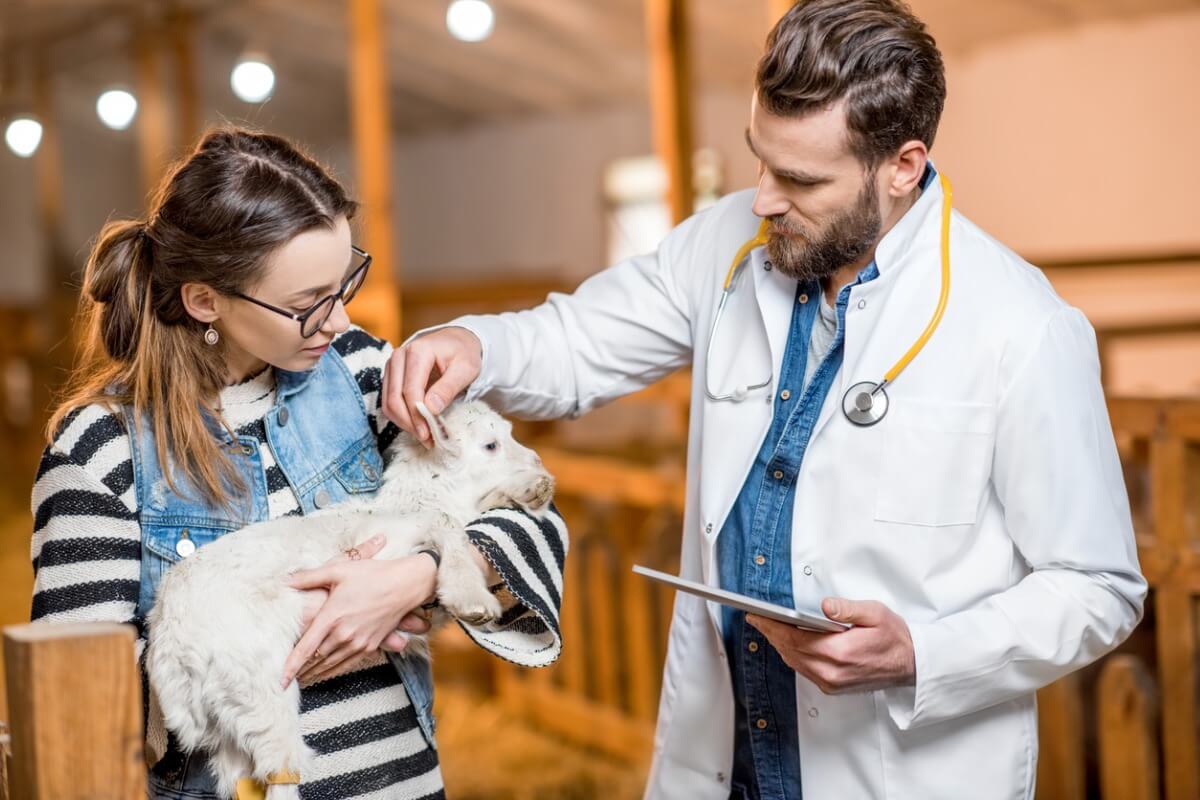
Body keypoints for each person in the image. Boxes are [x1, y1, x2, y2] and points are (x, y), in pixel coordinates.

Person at [383, 1, 1146, 798]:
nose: (762, 200)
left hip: (897, 770)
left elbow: (1098, 586)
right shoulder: (727, 243)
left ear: (903, 165)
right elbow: (579, 340)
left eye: (800, 179)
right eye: (759, 160)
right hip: (728, 757)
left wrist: (923, 651)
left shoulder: (1021, 325)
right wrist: (478, 344)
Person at [29, 127, 566, 800]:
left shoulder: (368, 376)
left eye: (344, 284)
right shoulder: (102, 449)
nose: (340, 319)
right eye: (306, 304)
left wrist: (418, 577)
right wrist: (286, 638)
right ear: (205, 302)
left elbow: (537, 518)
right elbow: (77, 694)